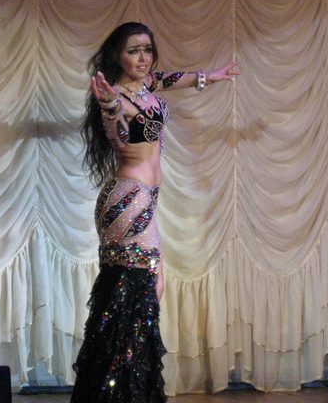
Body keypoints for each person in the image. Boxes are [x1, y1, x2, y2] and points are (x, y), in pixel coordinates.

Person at [71, 21, 239, 403]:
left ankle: (119, 386)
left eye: (147, 49)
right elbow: (118, 133)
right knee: (139, 292)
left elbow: (172, 79)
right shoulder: (116, 95)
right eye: (133, 51)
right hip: (128, 201)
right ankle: (119, 387)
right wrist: (109, 107)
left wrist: (210, 77)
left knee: (146, 290)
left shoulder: (146, 86)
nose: (142, 57)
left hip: (144, 199)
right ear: (118, 56)